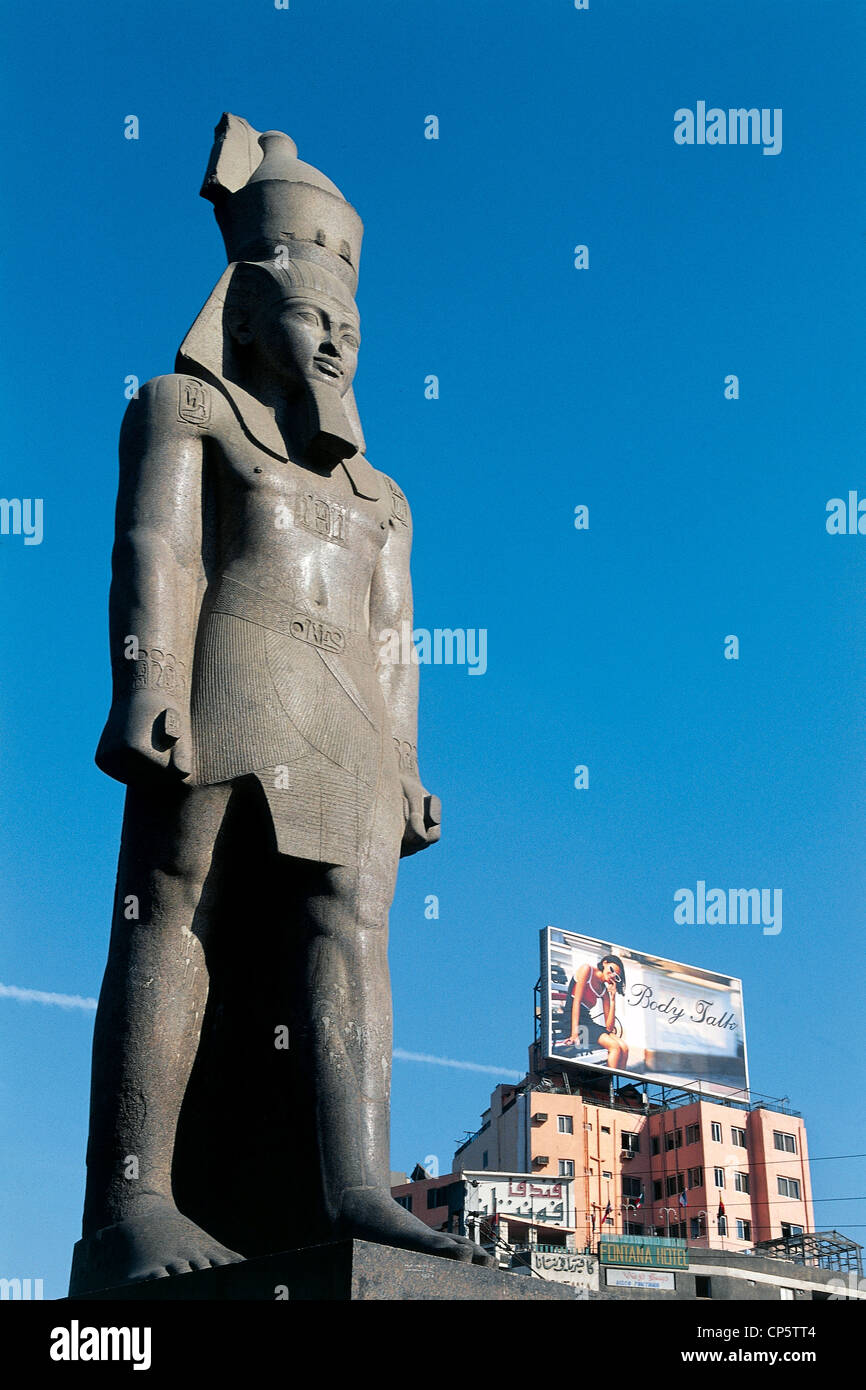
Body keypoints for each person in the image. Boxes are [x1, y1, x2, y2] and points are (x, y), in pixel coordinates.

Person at [70, 116, 492, 1294]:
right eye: (315, 320)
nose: (337, 345)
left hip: (350, 716)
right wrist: (147, 678)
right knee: (174, 903)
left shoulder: (383, 494)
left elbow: (396, 637)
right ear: (247, 314)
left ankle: (354, 1183)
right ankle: (133, 1198)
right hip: (225, 676)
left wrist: (405, 758)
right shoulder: (183, 409)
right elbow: (153, 544)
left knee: (351, 928)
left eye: (351, 329)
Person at [557, 954, 628, 1070]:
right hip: (573, 1022)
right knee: (614, 1047)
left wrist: (613, 998)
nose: (612, 976)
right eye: (612, 970)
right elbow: (576, 1002)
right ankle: (607, 1084)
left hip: (588, 1023)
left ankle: (616, 1082)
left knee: (624, 1047)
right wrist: (574, 1034)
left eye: (616, 977)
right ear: (604, 963)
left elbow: (609, 1028)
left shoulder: (604, 991)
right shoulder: (587, 970)